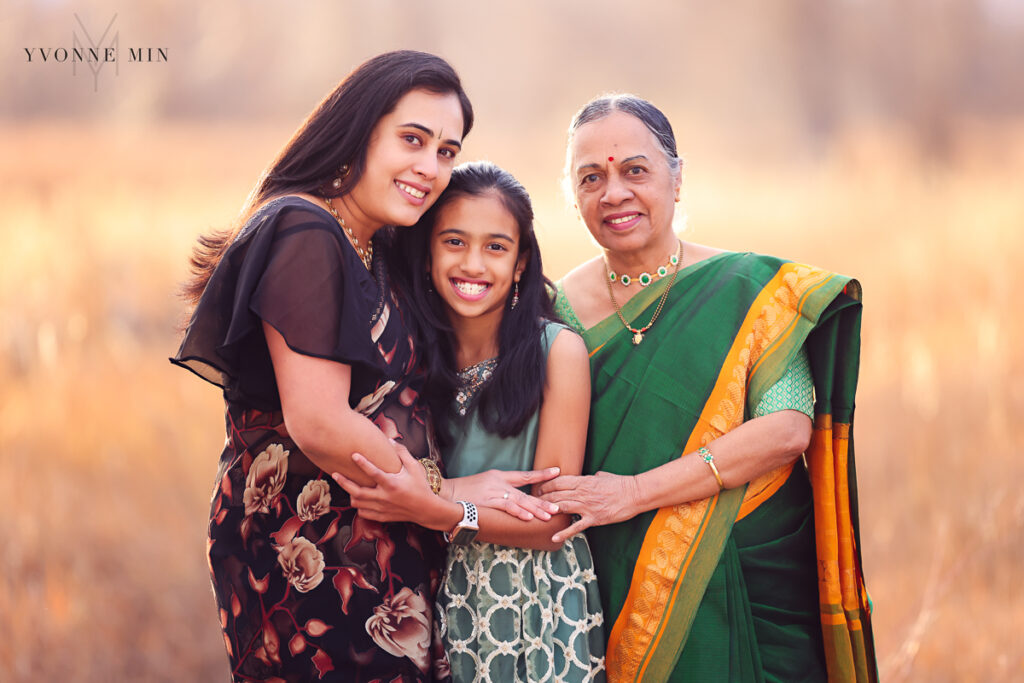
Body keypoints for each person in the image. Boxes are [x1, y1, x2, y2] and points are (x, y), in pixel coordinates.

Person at [170, 51, 554, 682]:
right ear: (360, 129)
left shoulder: (374, 245)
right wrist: (447, 496)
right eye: (413, 139)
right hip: (307, 561)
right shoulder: (304, 228)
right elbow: (319, 421)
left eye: (447, 151)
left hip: (377, 553)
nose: (430, 168)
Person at [537, 94, 877, 682]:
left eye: (634, 170)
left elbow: (787, 429)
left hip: (753, 570)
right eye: (590, 177)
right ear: (573, 197)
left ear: (676, 177)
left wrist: (636, 492)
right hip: (623, 578)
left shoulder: (746, 290)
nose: (613, 193)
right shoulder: (553, 312)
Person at [333, 161, 606, 682]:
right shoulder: (408, 350)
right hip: (439, 591)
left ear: (522, 261)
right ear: (428, 250)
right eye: (454, 242)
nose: (473, 264)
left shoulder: (557, 352)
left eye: (496, 247)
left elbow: (553, 521)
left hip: (537, 600)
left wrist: (441, 509)